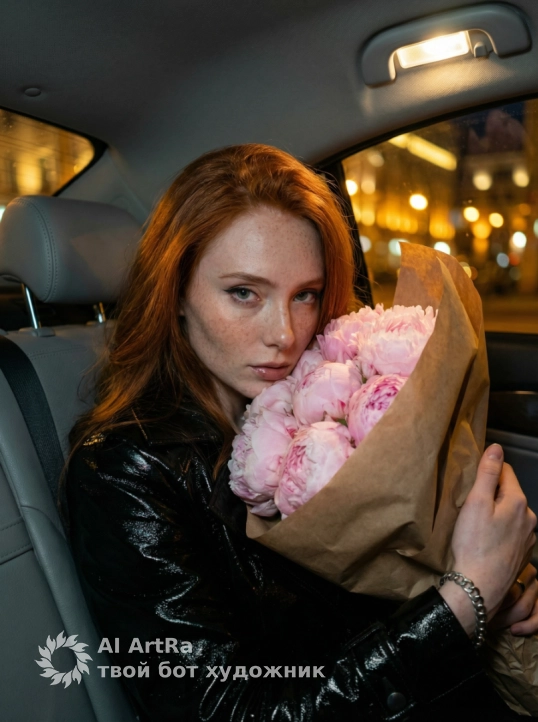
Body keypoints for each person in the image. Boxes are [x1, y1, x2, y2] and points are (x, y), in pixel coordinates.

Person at [61, 143, 538, 722]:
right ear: (177, 291)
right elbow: (228, 712)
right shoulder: (123, 470)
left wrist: (495, 574)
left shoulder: (327, 397)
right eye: (244, 293)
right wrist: (466, 598)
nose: (284, 334)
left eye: (305, 295)